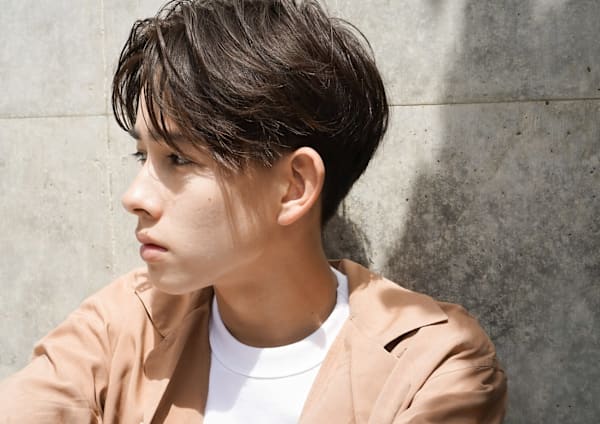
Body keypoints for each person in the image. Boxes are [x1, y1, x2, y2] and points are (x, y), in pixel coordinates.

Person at [0, 0, 507, 422]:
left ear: (293, 186)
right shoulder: (123, 325)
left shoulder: (432, 368)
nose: (134, 196)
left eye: (178, 158)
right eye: (143, 157)